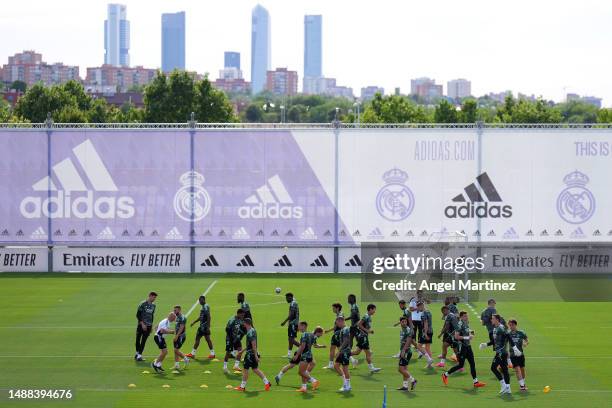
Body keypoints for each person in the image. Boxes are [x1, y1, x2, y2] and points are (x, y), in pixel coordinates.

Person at [441, 311, 486, 388]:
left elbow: (467, 330)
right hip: (462, 347)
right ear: (461, 317)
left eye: (467, 316)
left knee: (472, 363)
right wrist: (467, 337)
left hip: (468, 346)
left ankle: (476, 382)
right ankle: (445, 375)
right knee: (460, 365)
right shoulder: (459, 324)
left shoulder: (466, 323)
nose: (466, 317)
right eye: (465, 316)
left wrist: (471, 333)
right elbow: (456, 336)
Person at [479, 314, 521, 395]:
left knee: (493, 368)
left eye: (493, 319)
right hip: (501, 353)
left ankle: (503, 385)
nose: (491, 320)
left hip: (501, 353)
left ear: (497, 320)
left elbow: (508, 337)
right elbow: (494, 341)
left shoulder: (501, 328)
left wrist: (515, 348)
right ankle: (508, 388)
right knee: (505, 370)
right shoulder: (495, 329)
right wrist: (485, 344)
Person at [234, 318, 271, 392]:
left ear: (246, 323)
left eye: (243, 322)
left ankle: (242, 387)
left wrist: (255, 355)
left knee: (245, 370)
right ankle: (267, 383)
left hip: (250, 354)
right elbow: (250, 344)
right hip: (251, 353)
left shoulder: (250, 332)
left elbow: (253, 344)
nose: (243, 324)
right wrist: (242, 351)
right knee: (255, 369)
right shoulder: (251, 331)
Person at [291, 323, 324, 393]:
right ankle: (304, 387)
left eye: (299, 326)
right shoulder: (311, 335)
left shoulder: (304, 334)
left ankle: (314, 381)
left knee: (301, 372)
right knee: (304, 371)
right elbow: (313, 344)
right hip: (309, 355)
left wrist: (297, 355)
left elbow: (302, 346)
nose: (298, 328)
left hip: (305, 356)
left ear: (303, 326)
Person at [351, 303, 381, 372]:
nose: (374, 311)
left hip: (363, 337)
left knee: (356, 352)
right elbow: (359, 324)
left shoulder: (368, 316)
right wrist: (367, 331)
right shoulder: (366, 316)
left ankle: (344, 354)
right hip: (363, 337)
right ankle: (371, 368)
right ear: (370, 309)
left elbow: (360, 324)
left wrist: (369, 331)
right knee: (368, 353)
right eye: (374, 310)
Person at [397, 316, 418, 391]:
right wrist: (417, 346)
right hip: (405, 351)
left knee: (400, 369)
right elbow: (412, 341)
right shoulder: (402, 330)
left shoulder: (408, 330)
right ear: (400, 322)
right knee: (405, 369)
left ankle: (413, 380)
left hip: (405, 351)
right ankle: (405, 386)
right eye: (403, 322)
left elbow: (409, 341)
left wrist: (403, 351)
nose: (404, 323)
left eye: (405, 321)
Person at [135, 291, 157, 361]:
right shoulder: (143, 304)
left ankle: (139, 355)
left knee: (144, 340)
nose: (154, 299)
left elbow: (151, 315)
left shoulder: (154, 305)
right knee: (138, 339)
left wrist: (151, 325)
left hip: (149, 325)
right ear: (150, 296)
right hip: (141, 325)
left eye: (155, 298)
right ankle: (137, 353)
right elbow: (138, 315)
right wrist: (142, 324)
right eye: (153, 297)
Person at [508, 319, 529, 391]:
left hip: (520, 354)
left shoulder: (521, 333)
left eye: (512, 325)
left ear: (515, 325)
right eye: (509, 325)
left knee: (522, 369)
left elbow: (526, 339)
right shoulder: (508, 334)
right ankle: (522, 386)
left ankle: (523, 383)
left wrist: (525, 343)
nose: (510, 327)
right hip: (512, 355)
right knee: (517, 369)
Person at [224, 309, 246, 373]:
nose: (243, 316)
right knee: (228, 352)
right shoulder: (232, 320)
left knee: (240, 350)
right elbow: (227, 329)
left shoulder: (240, 320)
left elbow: (242, 327)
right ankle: (225, 367)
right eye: (242, 315)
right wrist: (232, 338)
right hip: (230, 338)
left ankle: (236, 365)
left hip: (236, 338)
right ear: (238, 314)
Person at [333, 316, 352, 392]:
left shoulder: (345, 329)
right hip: (342, 352)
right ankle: (345, 383)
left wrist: (339, 350)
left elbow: (346, 341)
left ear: (341, 321)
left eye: (337, 323)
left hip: (345, 352)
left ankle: (348, 386)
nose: (337, 325)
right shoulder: (343, 329)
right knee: (336, 366)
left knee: (345, 369)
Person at [324, 303, 344, 369]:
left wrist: (328, 331)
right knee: (340, 349)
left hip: (337, 334)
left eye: (333, 308)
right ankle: (353, 360)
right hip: (339, 334)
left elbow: (337, 326)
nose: (332, 309)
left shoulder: (339, 316)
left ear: (337, 308)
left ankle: (331, 364)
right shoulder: (340, 314)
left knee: (333, 348)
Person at [280, 293, 299, 358]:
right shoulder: (293, 302)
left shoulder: (293, 304)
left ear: (290, 297)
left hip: (293, 324)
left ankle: (304, 348)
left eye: (287, 298)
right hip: (292, 323)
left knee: (291, 339)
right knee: (290, 339)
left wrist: (284, 322)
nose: (286, 300)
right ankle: (289, 354)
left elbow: (292, 314)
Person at [417, 301, 434, 368]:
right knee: (427, 347)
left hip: (426, 331)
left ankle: (429, 359)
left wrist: (425, 333)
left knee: (419, 346)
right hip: (431, 331)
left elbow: (426, 323)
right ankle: (430, 365)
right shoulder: (428, 311)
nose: (418, 308)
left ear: (421, 306)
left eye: (418, 307)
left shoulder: (424, 313)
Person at [172, 305, 189, 370]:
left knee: (176, 350)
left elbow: (181, 328)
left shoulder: (182, 317)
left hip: (181, 336)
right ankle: (176, 365)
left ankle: (185, 359)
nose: (174, 311)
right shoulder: (177, 317)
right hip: (177, 335)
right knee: (175, 350)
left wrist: (177, 336)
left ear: (179, 310)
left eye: (175, 310)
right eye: (174, 310)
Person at [347, 294, 360, 366]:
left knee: (358, 341)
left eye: (349, 298)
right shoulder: (353, 306)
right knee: (351, 340)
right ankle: (349, 352)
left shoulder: (354, 306)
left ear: (352, 299)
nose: (348, 300)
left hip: (355, 326)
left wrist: (344, 319)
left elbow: (354, 315)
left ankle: (368, 351)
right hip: (354, 326)